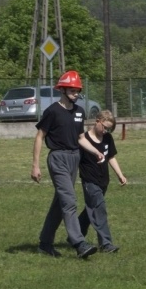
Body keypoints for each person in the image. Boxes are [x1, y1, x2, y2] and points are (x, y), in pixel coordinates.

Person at [31, 70, 104, 259]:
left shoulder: (79, 111)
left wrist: (95, 151)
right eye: (72, 90)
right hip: (58, 158)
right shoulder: (52, 111)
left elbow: (81, 137)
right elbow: (40, 136)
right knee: (69, 201)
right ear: (62, 90)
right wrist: (35, 165)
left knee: (60, 203)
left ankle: (45, 243)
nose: (76, 93)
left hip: (74, 158)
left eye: (78, 90)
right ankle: (79, 243)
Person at [78, 110, 127, 253]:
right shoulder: (84, 139)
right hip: (90, 181)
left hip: (103, 181)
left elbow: (111, 157)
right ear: (97, 121)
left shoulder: (107, 138)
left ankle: (75, 235)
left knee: (91, 210)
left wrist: (120, 174)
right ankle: (106, 244)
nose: (106, 131)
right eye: (104, 127)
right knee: (99, 210)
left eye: (109, 129)